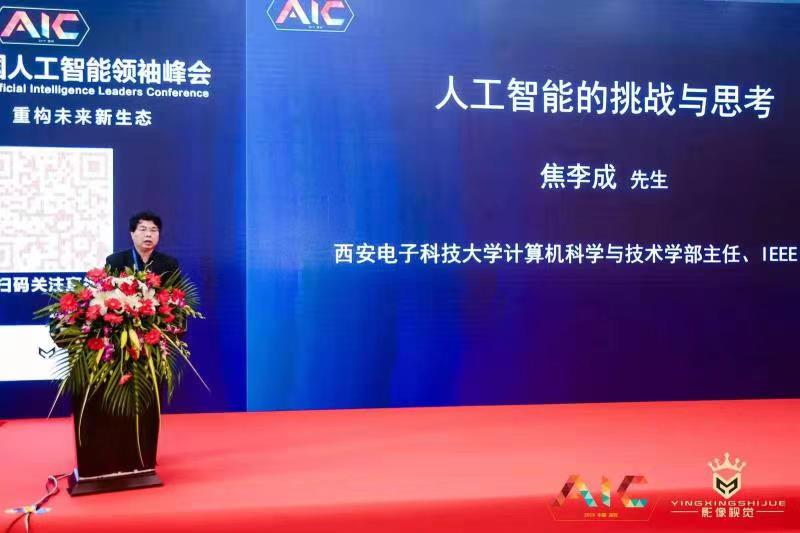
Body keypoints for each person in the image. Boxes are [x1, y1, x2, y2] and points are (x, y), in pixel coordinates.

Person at [105, 211, 180, 277]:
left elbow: (176, 288)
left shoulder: (169, 264)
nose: (148, 234)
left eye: (153, 230)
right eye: (143, 229)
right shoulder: (115, 261)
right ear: (132, 234)